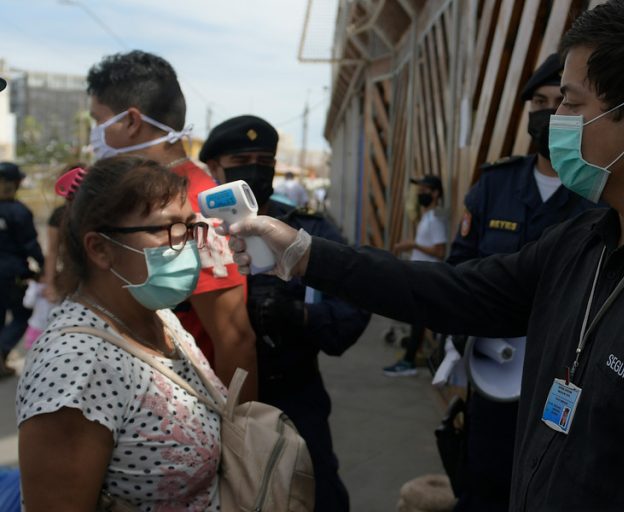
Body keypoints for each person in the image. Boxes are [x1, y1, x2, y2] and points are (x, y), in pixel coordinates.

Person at [225, 1, 624, 510]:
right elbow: (454, 291)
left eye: (571, 102)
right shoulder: (585, 240)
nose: (556, 121)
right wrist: (305, 254)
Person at [16, 156, 224, 510]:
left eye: (190, 226)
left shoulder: (157, 316)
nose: (187, 243)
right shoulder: (75, 369)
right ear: (100, 249)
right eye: (166, 228)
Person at [445, 54, 594, 512]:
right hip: (494, 373)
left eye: (559, 102)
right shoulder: (495, 184)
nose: (547, 114)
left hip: (567, 379)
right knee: (484, 485)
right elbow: (460, 268)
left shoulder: (598, 193)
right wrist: (461, 342)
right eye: (539, 103)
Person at [199, 115, 371, 512]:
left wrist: (298, 315)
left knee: (317, 496)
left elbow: (352, 310)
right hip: (209, 402)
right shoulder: (190, 232)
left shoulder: (306, 229)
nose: (255, 170)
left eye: (265, 161)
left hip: (295, 397)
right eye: (242, 160)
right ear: (214, 168)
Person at [86, 51, 258, 401]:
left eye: (98, 121)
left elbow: (234, 337)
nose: (95, 135)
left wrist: (239, 427)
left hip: (182, 408)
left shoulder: (195, 205)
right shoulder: (142, 193)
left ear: (131, 121)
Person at [383, 174, 448, 376]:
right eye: (420, 190)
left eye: (425, 190)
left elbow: (440, 251)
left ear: (435, 193)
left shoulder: (435, 219)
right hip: (422, 275)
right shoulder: (426, 217)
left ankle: (409, 362)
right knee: (419, 320)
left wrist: (413, 245)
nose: (420, 194)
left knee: (419, 321)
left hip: (429, 277)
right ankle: (412, 359)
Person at [0, 161, 44, 378]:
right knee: (23, 314)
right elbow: (30, 245)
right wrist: (44, 266)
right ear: (16, 183)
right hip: (13, 273)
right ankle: (2, 351)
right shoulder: (18, 211)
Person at [43, 162, 87, 303]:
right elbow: (52, 252)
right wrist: (49, 285)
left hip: (90, 277)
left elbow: (52, 252)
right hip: (71, 277)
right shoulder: (59, 215)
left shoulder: (98, 212)